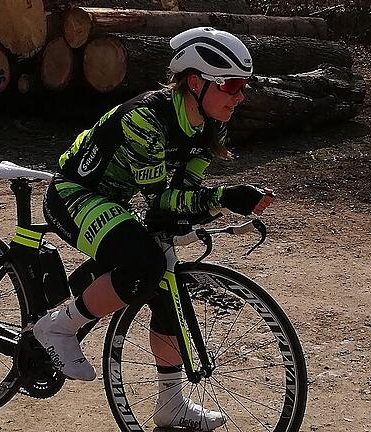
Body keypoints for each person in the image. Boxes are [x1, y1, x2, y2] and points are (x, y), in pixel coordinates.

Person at [34, 27, 274, 431]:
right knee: (145, 263)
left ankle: (170, 404)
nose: (240, 96)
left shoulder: (207, 125)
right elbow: (160, 200)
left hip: (117, 201)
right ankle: (58, 326)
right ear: (195, 83)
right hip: (75, 195)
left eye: (243, 86)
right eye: (231, 85)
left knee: (164, 280)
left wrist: (208, 208)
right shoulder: (146, 118)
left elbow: (183, 193)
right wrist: (223, 198)